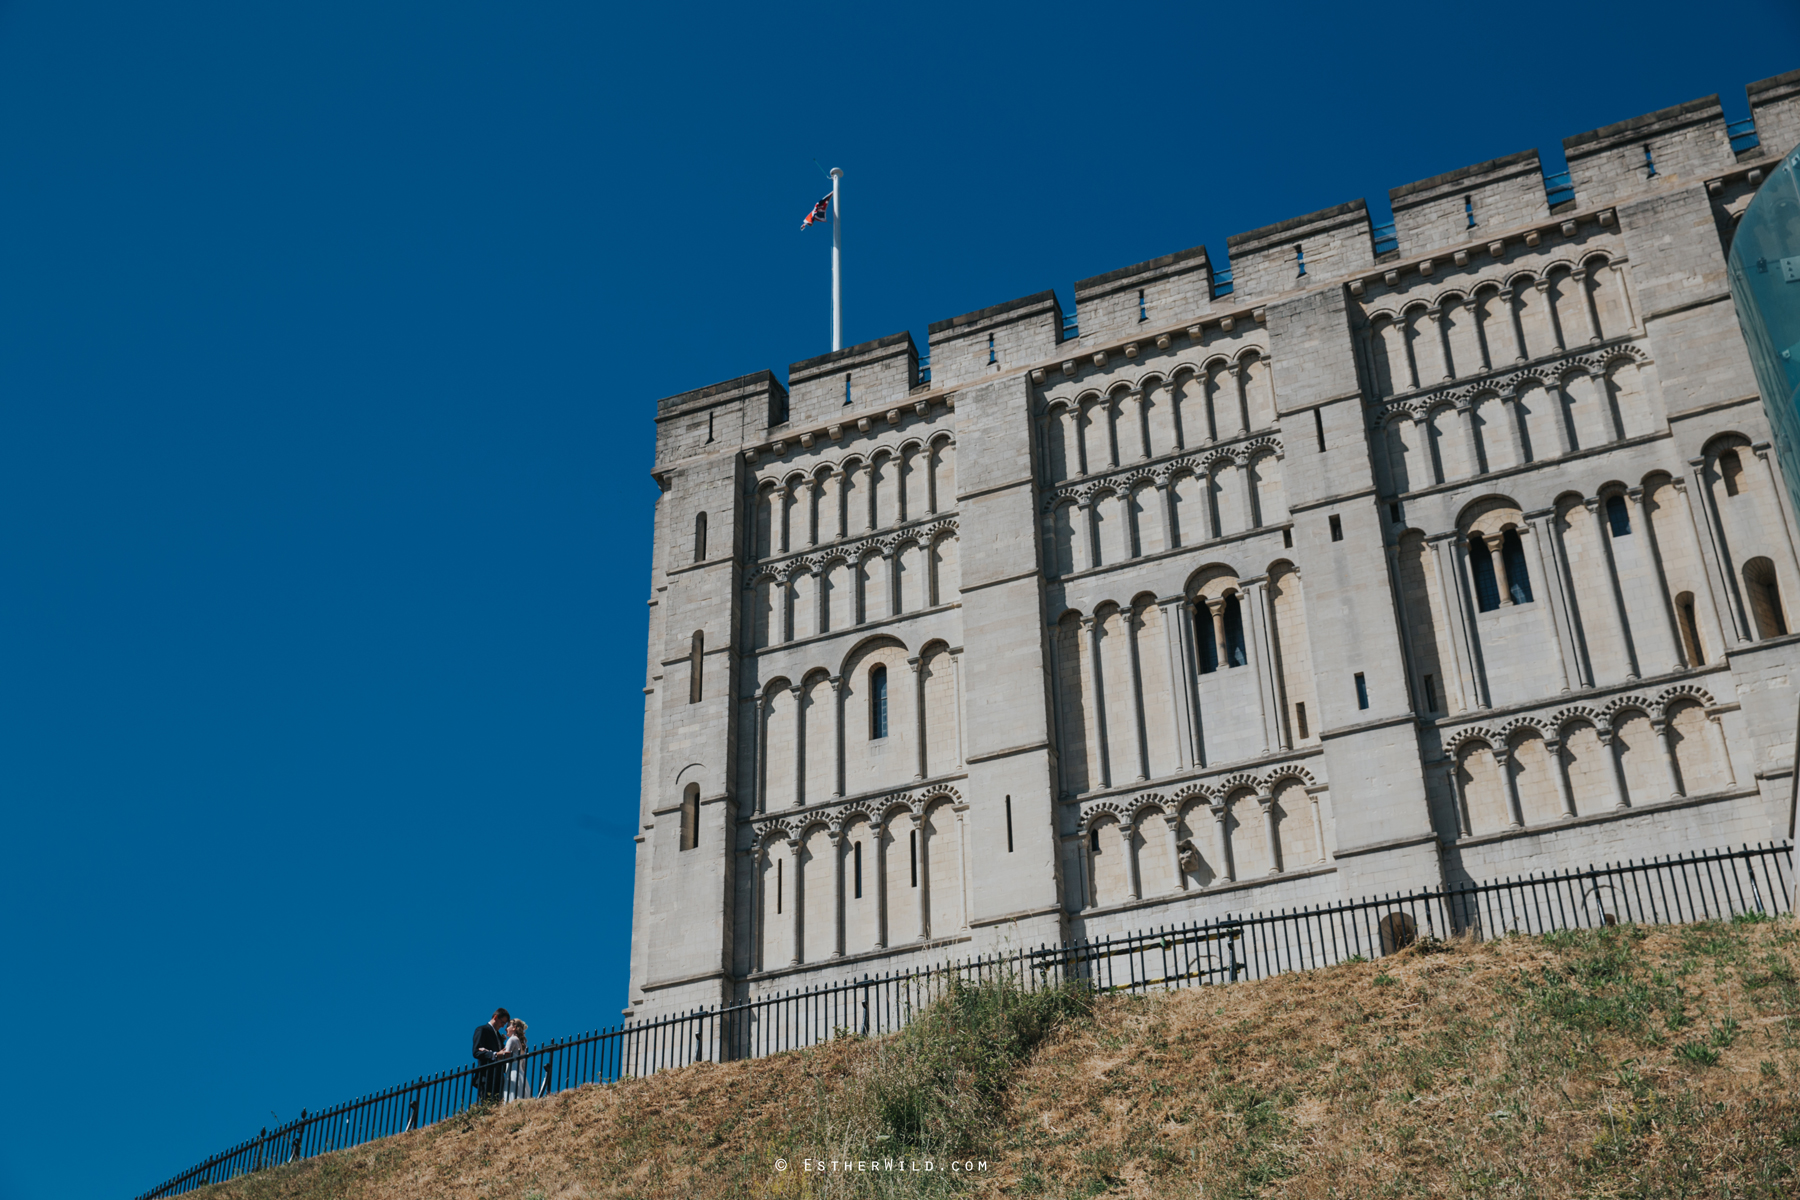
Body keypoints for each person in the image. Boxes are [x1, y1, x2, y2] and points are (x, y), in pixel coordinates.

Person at [471, 1007, 510, 1102]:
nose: (502, 1026)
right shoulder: (482, 1030)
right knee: (488, 1106)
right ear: (495, 1017)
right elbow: (476, 1052)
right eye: (502, 1022)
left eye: (505, 1024)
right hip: (486, 1077)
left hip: (499, 1078)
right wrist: (495, 1054)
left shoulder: (498, 1036)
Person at [496, 1018, 529, 1102]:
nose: (506, 1028)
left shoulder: (512, 1039)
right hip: (521, 1074)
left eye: (508, 1026)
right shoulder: (521, 1045)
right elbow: (523, 1065)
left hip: (512, 1072)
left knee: (512, 1097)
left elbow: (505, 1055)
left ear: (514, 1028)